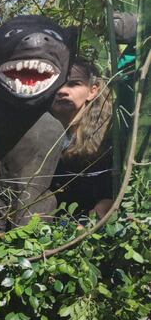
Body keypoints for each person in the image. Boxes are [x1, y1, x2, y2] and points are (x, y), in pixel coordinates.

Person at [50, 57, 115, 218]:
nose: (62, 90)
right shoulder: (37, 135)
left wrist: (108, 201)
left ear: (93, 90)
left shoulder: (109, 136)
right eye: (56, 84)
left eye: (74, 84)